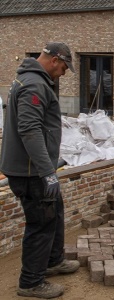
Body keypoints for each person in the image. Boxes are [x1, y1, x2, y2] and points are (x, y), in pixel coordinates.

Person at [0, 42, 79, 299]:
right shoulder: (34, 85)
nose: (65, 73)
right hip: (31, 173)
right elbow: (30, 130)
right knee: (41, 222)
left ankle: (53, 261)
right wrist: (47, 172)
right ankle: (31, 282)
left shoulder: (31, 80)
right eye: (65, 66)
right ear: (55, 60)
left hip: (35, 168)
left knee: (54, 212)